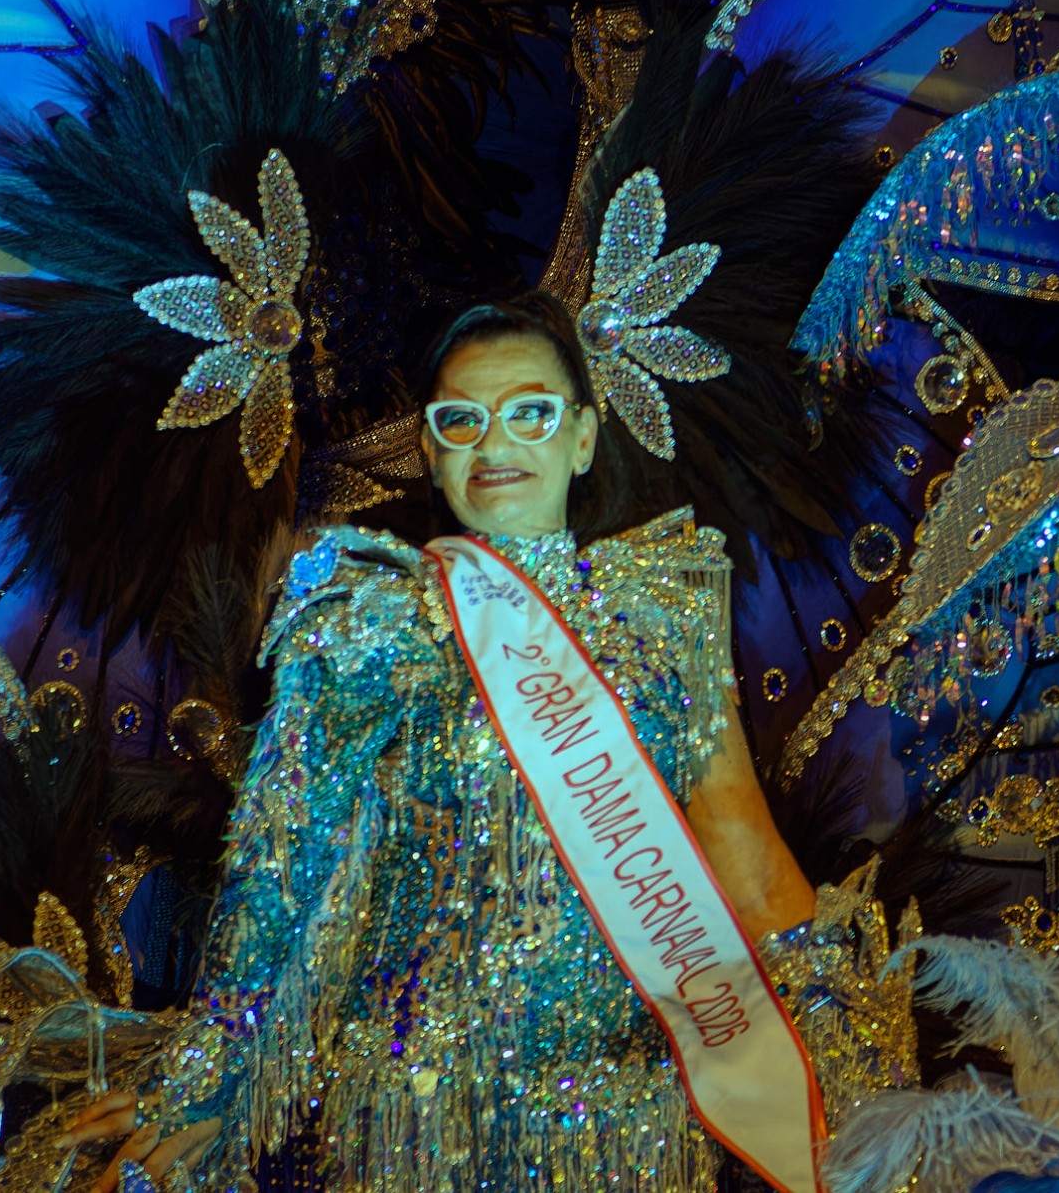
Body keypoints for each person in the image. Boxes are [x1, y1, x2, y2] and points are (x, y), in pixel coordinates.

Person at [60, 296, 913, 1192]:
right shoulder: (369, 617)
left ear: (583, 438)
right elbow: (281, 864)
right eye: (461, 420)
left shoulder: (665, 618)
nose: (494, 442)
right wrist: (211, 1067)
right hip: (419, 1112)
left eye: (530, 412)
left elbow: (744, 854)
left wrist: (847, 1064)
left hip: (629, 1123)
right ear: (432, 453)